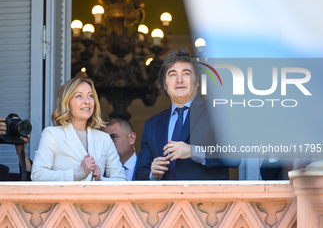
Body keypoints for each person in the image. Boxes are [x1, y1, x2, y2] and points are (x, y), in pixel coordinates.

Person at [135, 49, 241, 180]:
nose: (179, 80)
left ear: (197, 82)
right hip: (166, 199)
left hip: (207, 198)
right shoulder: (152, 124)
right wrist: (153, 173)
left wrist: (193, 151)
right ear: (164, 84)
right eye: (172, 74)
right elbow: (140, 174)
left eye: (186, 74)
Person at [31, 77, 127, 181]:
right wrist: (77, 174)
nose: (87, 101)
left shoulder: (105, 139)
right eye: (79, 96)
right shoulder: (52, 135)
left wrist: (99, 180)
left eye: (90, 96)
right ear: (67, 102)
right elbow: (37, 175)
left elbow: (121, 180)